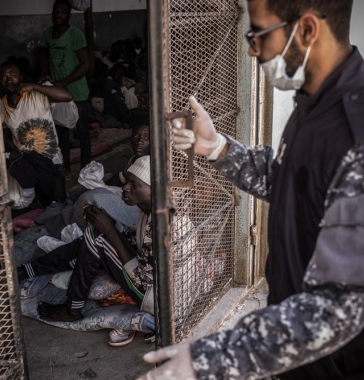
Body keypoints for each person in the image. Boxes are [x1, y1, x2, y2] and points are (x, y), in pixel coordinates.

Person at [139, 0, 364, 379]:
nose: (249, 49)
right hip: (295, 352)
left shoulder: (354, 134)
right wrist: (218, 149)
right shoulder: (316, 104)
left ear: (307, 30)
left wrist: (210, 357)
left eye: (257, 35)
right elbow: (295, 186)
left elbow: (340, 306)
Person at [19, 156, 154, 343]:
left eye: (134, 184)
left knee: (97, 237)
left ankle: (71, 310)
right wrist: (108, 226)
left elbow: (143, 279)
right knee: (97, 234)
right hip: (150, 283)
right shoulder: (150, 211)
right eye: (127, 181)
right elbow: (136, 245)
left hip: (153, 298)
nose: (125, 187)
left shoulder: (162, 224)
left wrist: (110, 232)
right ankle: (29, 270)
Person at [0, 61, 72, 206]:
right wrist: (14, 155)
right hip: (28, 166)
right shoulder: (2, 104)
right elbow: (5, 130)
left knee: (58, 203)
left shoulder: (35, 95)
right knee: (38, 206)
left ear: (21, 77)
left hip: (51, 160)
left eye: (13, 75)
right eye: (4, 77)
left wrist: (35, 86)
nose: (9, 80)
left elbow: (67, 96)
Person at [40, 0, 91, 170]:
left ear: (69, 16)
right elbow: (42, 54)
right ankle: (65, 168)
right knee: (61, 133)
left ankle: (86, 169)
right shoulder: (48, 34)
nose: (59, 15)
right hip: (58, 93)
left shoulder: (75, 34)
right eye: (56, 11)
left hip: (77, 92)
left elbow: (85, 64)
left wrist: (63, 82)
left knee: (82, 132)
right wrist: (45, 71)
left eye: (63, 12)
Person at [103, 63, 132, 128]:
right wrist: (129, 119)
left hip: (123, 111)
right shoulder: (110, 84)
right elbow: (118, 106)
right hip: (115, 114)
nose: (119, 76)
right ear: (112, 74)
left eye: (121, 74)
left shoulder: (118, 82)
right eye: (116, 74)